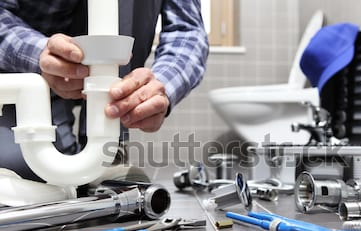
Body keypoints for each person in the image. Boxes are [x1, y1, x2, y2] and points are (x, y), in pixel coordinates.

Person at [0, 0, 209, 182]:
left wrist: (160, 85)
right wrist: (39, 54)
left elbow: (187, 29)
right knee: (21, 169)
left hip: (106, 82)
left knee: (64, 177)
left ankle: (108, 147)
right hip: (19, 75)